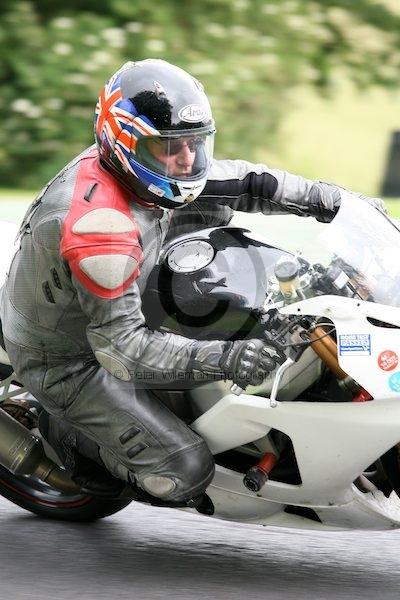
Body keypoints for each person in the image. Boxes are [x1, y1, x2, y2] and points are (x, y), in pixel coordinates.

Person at [0, 59, 385, 508]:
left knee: (227, 242)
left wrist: (338, 202)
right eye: (170, 148)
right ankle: (64, 432)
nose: (187, 160)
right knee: (184, 472)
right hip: (71, 358)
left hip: (119, 285)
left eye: (195, 143)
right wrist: (228, 358)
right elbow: (122, 350)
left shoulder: (146, 172)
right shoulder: (99, 230)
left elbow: (254, 183)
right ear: (124, 145)